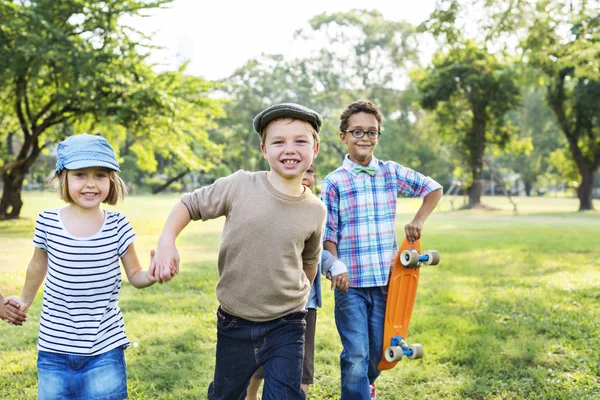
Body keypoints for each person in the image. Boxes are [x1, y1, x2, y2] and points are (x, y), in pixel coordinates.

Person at [150, 103, 327, 400]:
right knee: (226, 395)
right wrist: (167, 240)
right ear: (263, 149)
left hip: (288, 323)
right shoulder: (240, 185)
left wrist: (295, 297)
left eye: (300, 141)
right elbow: (189, 205)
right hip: (235, 321)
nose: (290, 149)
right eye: (279, 141)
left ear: (315, 148)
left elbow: (309, 262)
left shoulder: (316, 210)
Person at [3, 133, 157, 400]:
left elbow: (135, 274)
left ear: (112, 179)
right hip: (54, 348)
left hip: (105, 349)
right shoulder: (48, 221)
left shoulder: (118, 225)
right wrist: (24, 301)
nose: (90, 184)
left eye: (100, 175)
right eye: (80, 175)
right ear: (64, 177)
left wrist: (152, 274)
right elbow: (37, 266)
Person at [321, 101, 443, 400]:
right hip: (351, 285)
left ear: (379, 135)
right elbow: (329, 233)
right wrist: (335, 265)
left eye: (371, 132)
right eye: (357, 131)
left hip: (387, 283)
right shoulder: (334, 181)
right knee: (356, 354)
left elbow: (433, 188)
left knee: (378, 351)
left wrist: (418, 220)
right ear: (343, 136)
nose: (364, 137)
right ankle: (358, 392)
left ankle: (365, 385)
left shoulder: (390, 173)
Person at [245, 164, 348, 400]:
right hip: (267, 302)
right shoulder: (272, 207)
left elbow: (315, 251)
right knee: (258, 361)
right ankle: (250, 396)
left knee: (301, 366)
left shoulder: (315, 211)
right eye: (300, 171)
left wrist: (334, 264)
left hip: (304, 306)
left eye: (310, 171)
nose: (305, 176)